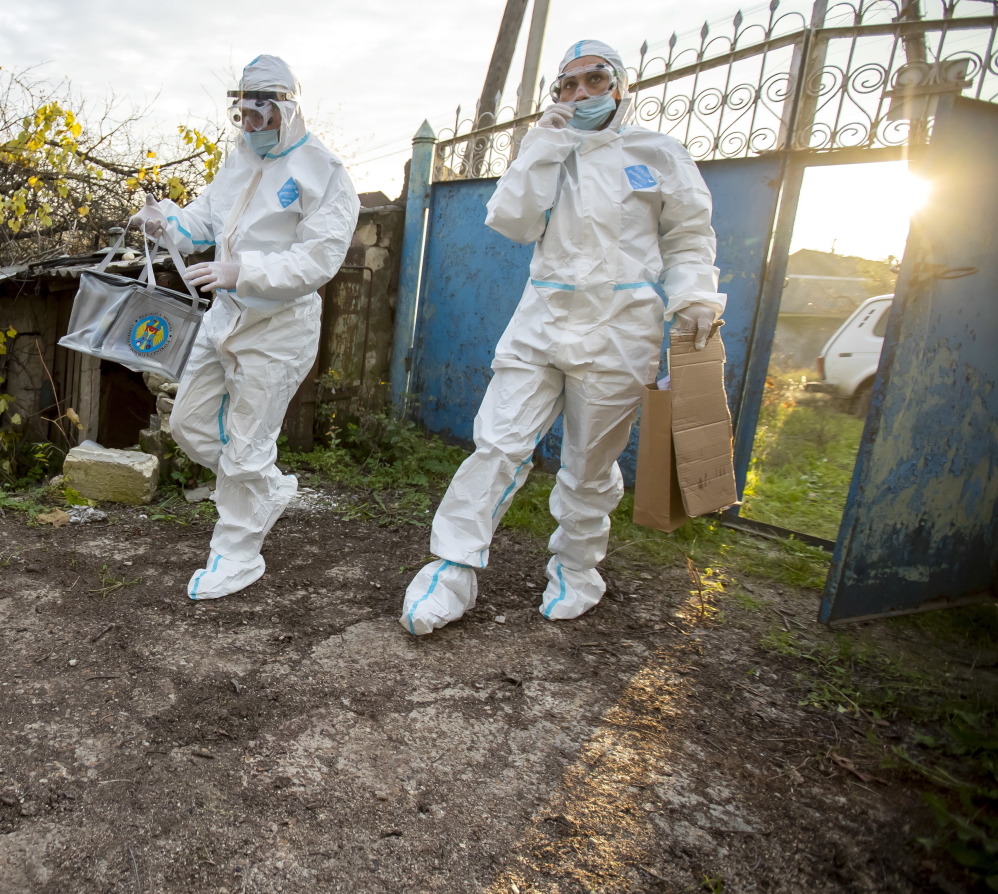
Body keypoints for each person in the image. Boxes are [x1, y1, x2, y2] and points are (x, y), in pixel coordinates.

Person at [399, 39, 724, 632]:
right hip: (543, 316)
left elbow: (689, 234)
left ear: (619, 86)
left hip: (621, 327)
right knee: (497, 444)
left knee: (589, 463)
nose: (579, 95)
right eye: (567, 86)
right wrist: (541, 146)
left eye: (593, 81)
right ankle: (450, 572)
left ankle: (576, 568)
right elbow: (512, 221)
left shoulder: (657, 152)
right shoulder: (549, 149)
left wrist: (696, 294)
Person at [134, 55, 357, 599]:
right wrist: (166, 220)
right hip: (225, 319)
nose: (252, 128)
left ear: (287, 109)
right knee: (188, 425)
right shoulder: (238, 163)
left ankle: (237, 556)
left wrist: (244, 271)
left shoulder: (323, 173)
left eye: (262, 116)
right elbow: (205, 219)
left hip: (278, 330)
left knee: (247, 446)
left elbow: (318, 261)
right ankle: (263, 488)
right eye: (244, 117)